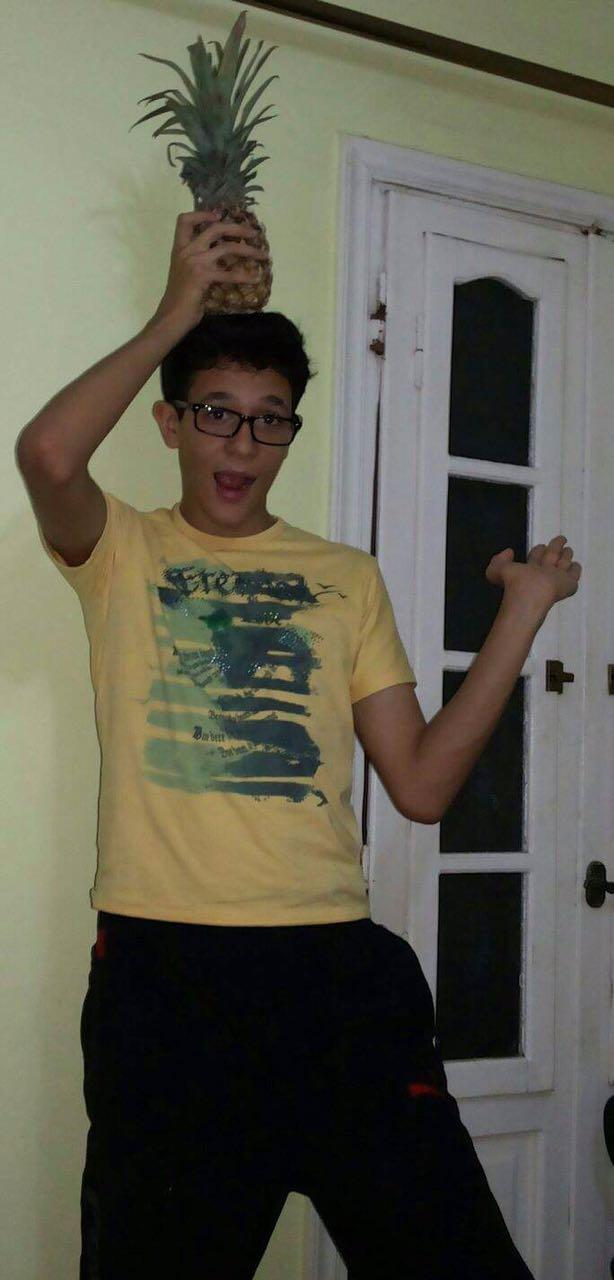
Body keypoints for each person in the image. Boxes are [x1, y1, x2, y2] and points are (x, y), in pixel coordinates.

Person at [15, 210, 536, 1279]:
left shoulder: (345, 576)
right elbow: (47, 453)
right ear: (170, 423)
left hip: (335, 980)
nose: (242, 447)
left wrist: (520, 615)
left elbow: (421, 784)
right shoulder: (124, 549)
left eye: (270, 422)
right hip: (168, 986)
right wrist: (177, 310)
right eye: (216, 415)